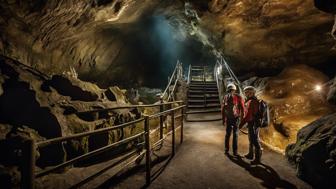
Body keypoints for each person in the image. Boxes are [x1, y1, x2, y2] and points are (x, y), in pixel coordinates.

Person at [239, 86, 262, 164]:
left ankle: (257, 159)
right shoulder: (251, 100)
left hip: (253, 123)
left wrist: (240, 124)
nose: (246, 94)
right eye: (245, 92)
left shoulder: (252, 102)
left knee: (255, 140)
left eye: (248, 92)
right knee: (251, 139)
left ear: (252, 93)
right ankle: (250, 154)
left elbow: (248, 116)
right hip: (254, 123)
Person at [222, 83, 245, 156]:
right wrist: (242, 119)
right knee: (234, 134)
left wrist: (223, 119)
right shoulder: (238, 97)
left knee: (228, 134)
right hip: (235, 118)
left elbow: (223, 109)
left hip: (230, 118)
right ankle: (234, 152)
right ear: (234, 90)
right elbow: (242, 108)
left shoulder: (225, 97)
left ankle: (227, 150)